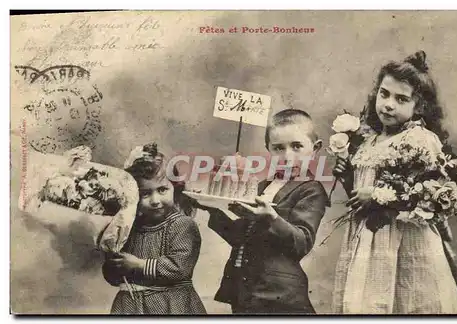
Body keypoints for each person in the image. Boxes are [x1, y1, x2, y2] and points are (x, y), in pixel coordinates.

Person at [331, 51, 457, 314]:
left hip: (404, 239)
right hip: (367, 240)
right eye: (384, 94)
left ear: (420, 107)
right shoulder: (368, 140)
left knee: (408, 300)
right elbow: (358, 196)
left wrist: (379, 195)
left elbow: (427, 194)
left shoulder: (419, 139)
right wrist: (348, 176)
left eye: (401, 99)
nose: (388, 104)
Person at [199, 109, 330, 314]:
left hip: (278, 292)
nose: (287, 156)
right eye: (278, 148)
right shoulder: (262, 186)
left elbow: (302, 242)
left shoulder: (311, 190)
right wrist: (212, 208)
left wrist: (273, 218)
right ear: (268, 149)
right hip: (245, 286)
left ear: (315, 149)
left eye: (297, 146)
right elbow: (240, 236)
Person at [102, 143, 206, 314]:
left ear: (176, 189)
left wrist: (139, 265)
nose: (155, 200)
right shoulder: (128, 228)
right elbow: (114, 278)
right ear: (133, 196)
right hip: (131, 306)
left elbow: (179, 268)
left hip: (170, 306)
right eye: (145, 194)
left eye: (163, 189)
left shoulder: (182, 225)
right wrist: (113, 261)